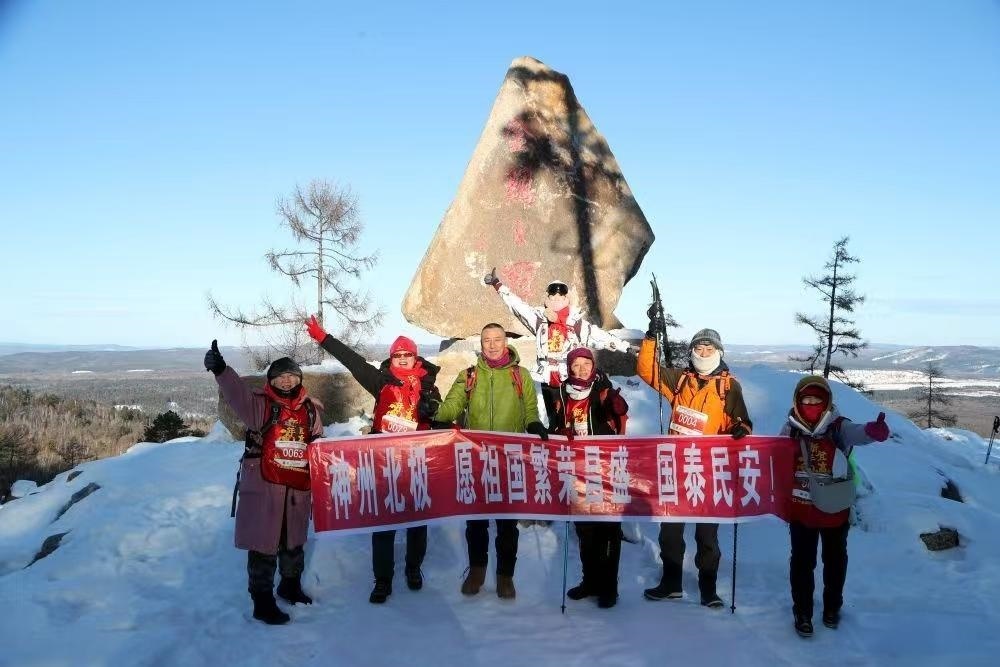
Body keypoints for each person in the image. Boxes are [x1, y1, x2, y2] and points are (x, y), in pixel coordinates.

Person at [306, 315, 443, 605]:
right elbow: (353, 361)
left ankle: (413, 569)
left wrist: (434, 412)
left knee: (418, 521)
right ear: (392, 358)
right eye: (398, 355)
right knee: (383, 522)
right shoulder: (380, 381)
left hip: (417, 463)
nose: (403, 359)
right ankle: (382, 580)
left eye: (408, 355)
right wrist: (323, 337)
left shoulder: (429, 386)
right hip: (383, 463)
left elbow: (442, 421)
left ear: (415, 357)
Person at [636, 315, 752, 608]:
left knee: (707, 535)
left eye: (709, 349)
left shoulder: (728, 387)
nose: (703, 353)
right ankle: (671, 583)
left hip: (709, 472)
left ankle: (708, 588)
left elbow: (744, 421)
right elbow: (647, 371)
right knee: (670, 532)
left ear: (719, 353)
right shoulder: (680, 380)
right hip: (676, 467)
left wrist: (741, 430)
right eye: (698, 348)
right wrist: (651, 337)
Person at [205, 340, 323, 625]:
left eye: (291, 375)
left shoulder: (310, 410)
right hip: (265, 487)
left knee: (293, 541)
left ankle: (289, 586)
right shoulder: (261, 405)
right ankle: (262, 601)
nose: (286, 380)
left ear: (299, 379)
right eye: (280, 375)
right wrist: (222, 370)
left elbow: (318, 444)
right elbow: (237, 396)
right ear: (271, 380)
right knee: (264, 544)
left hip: (296, 487)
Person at [428, 322, 548, 600]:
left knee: (507, 523)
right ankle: (477, 571)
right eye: (486, 341)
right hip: (477, 460)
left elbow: (530, 410)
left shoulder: (521, 375)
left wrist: (533, 425)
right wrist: (437, 414)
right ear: (481, 345)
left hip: (510, 461)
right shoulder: (470, 375)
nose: (492, 345)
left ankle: (506, 577)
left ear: (506, 342)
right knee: (477, 522)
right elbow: (453, 405)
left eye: (497, 339)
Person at [782, 375, 890, 638]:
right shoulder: (790, 429)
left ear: (827, 401)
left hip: (834, 508)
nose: (811, 404)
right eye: (806, 399)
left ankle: (832, 608)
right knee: (802, 563)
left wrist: (871, 432)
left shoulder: (838, 426)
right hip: (802, 509)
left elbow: (857, 433)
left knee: (834, 561)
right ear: (797, 400)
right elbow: (775, 459)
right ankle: (803, 612)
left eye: (817, 399)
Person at [483, 268, 631, 425]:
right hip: (544, 375)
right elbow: (517, 305)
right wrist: (497, 285)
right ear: (547, 298)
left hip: (568, 377)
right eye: (552, 295)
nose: (556, 298)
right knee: (548, 416)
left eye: (561, 295)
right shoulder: (538, 319)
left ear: (566, 298)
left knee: (569, 418)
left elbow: (598, 335)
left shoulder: (575, 323)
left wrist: (625, 346)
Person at [549, 347, 629, 608]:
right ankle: (590, 581)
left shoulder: (603, 389)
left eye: (586, 364)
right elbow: (554, 427)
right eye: (576, 365)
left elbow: (619, 412)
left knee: (608, 529)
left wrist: (617, 406)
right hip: (577, 470)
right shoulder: (561, 392)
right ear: (569, 367)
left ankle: (609, 587)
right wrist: (560, 431)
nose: (581, 369)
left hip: (605, 470)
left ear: (593, 366)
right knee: (585, 531)